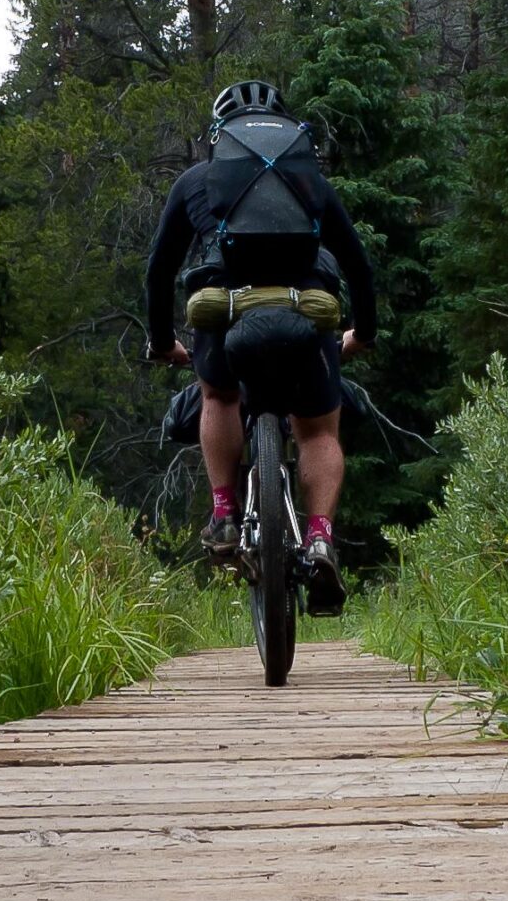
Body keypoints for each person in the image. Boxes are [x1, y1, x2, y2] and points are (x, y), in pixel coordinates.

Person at [143, 80, 374, 616]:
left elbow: (159, 270)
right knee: (318, 428)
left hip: (224, 317)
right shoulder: (308, 180)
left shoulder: (197, 182)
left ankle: (224, 514)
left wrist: (161, 342)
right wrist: (364, 333)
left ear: (219, 136)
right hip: (308, 316)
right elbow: (358, 264)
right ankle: (319, 538)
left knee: (219, 396)